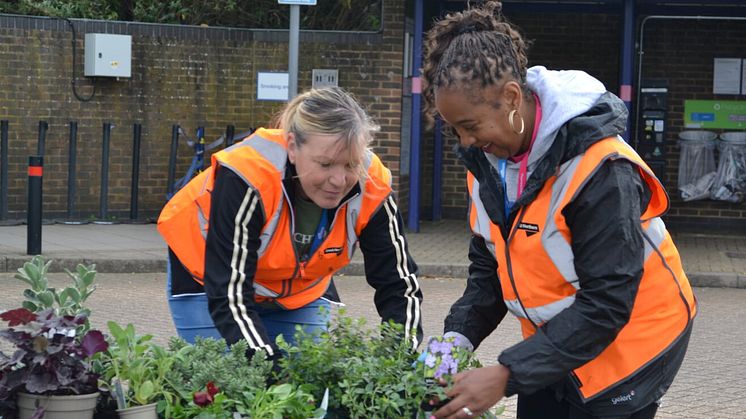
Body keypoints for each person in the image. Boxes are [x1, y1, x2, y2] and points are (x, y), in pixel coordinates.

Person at [420, 2, 697, 419]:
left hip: (633, 345)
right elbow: (490, 273)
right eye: (455, 129)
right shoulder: (486, 168)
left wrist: (505, 374)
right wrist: (453, 344)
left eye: (471, 126)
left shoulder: (601, 169)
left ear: (511, 97)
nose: (465, 142)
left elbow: (607, 302)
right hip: (557, 342)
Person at [158, 87, 423, 363]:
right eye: (326, 164)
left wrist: (399, 363)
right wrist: (266, 367)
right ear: (293, 147)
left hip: (297, 292)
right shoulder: (247, 177)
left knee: (306, 383)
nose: (339, 180)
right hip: (210, 281)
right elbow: (230, 293)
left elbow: (398, 284)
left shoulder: (373, 183)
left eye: (350, 165)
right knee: (228, 383)